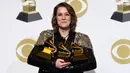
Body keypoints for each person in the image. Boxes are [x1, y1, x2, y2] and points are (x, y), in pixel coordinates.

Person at [27, 2, 97, 73]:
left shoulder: (82, 38)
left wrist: (69, 68)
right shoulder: (46, 36)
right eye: (60, 15)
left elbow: (92, 63)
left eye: (67, 14)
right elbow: (31, 59)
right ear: (56, 18)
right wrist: (53, 64)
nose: (63, 18)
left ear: (71, 17)